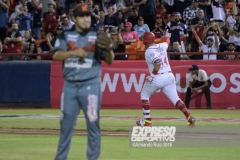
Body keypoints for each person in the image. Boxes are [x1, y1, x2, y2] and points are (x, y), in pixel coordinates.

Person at [53, 4, 114, 160]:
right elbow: (56, 55)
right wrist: (73, 52)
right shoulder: (65, 36)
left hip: (90, 84)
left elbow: (109, 60)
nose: (86, 19)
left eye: (88, 16)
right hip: (70, 85)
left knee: (93, 124)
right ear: (74, 18)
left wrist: (109, 50)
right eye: (82, 16)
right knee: (66, 126)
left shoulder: (97, 36)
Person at [136, 32, 196, 127]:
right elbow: (167, 42)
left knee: (144, 95)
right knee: (176, 99)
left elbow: (158, 63)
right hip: (169, 75)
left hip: (158, 76)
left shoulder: (149, 51)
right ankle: (189, 117)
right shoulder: (161, 45)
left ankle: (147, 120)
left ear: (146, 41)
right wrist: (167, 36)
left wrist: (152, 75)